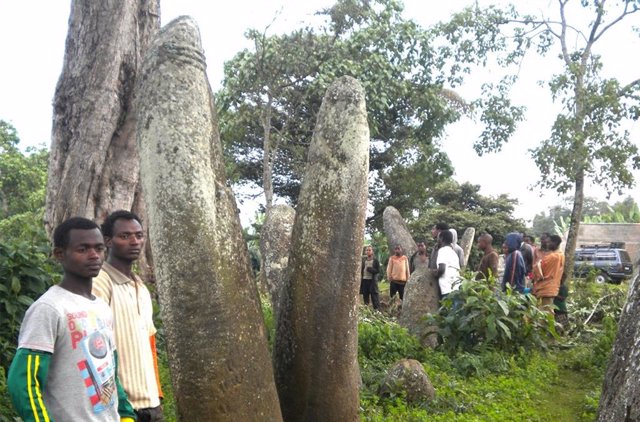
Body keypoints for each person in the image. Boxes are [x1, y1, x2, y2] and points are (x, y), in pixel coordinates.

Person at [8, 217, 136, 422]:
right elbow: (23, 381)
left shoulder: (101, 307)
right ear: (60, 254)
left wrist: (127, 416)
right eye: (83, 249)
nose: (94, 255)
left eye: (99, 248)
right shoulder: (49, 308)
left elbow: (110, 370)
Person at [93, 211, 164, 422]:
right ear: (108, 241)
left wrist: (157, 394)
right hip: (120, 408)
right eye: (125, 236)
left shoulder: (140, 286)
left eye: (139, 235)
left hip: (151, 406)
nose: (135, 241)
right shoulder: (100, 281)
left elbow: (150, 344)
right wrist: (113, 404)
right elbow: (93, 349)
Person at [533, 235, 565, 314]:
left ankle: (547, 326)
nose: (547, 244)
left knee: (546, 312)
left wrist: (537, 264)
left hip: (546, 287)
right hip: (552, 287)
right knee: (545, 310)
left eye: (549, 242)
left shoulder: (553, 257)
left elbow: (538, 271)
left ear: (555, 243)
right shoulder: (561, 255)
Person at [434, 230, 461, 300]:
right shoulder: (453, 253)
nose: (437, 240)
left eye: (438, 238)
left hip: (447, 288)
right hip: (457, 287)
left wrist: (435, 274)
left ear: (442, 239)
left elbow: (442, 269)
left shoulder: (442, 251)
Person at [360, 245, 381, 310]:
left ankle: (377, 310)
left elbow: (377, 271)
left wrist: (371, 269)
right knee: (365, 295)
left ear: (372, 252)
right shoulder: (363, 260)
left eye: (369, 250)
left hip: (372, 281)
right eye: (367, 250)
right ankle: (366, 309)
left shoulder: (375, 261)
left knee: (374, 295)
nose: (368, 251)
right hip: (364, 280)